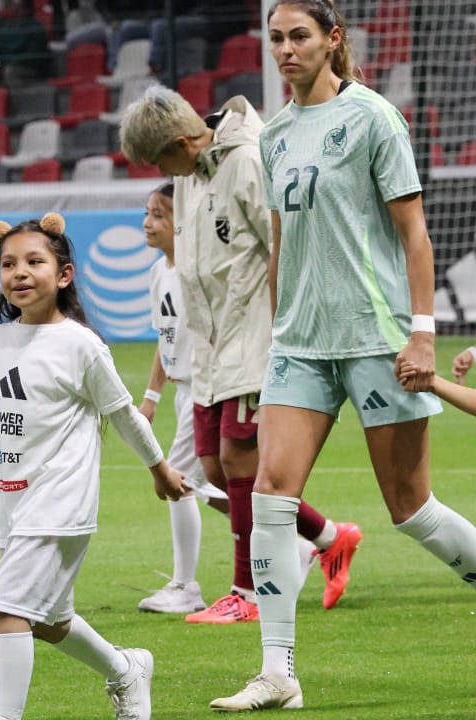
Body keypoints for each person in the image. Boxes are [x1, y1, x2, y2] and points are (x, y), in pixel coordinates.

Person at [210, 0, 476, 710]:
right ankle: (278, 672)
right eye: (275, 39)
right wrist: (272, 338)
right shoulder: (275, 137)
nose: (285, 49)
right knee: (271, 493)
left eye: (299, 36)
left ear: (333, 41)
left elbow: (415, 235)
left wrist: (422, 331)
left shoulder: (372, 118)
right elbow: (280, 242)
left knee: (410, 508)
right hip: (300, 343)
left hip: (375, 334)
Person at [0, 212, 187, 720]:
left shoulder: (81, 344)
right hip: (15, 500)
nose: (19, 272)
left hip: (60, 499)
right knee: (49, 620)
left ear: (63, 275)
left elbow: (123, 415)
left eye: (34, 262)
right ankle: (125, 669)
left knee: (10, 610)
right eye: (8, 263)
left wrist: (160, 468)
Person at [118, 84, 362, 626]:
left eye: (160, 159)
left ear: (183, 141)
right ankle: (327, 536)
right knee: (211, 469)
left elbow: (284, 246)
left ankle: (247, 592)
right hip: (208, 349)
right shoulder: (188, 176)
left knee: (239, 463)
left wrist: (284, 332)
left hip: (253, 339)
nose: (160, 170)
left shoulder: (249, 160)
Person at [136, 181, 230, 614]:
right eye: (148, 213)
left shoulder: (197, 272)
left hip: (206, 389)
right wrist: (152, 396)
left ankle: (185, 587)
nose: (148, 222)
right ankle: (309, 539)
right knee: (215, 484)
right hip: (182, 391)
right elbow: (165, 337)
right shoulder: (159, 273)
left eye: (160, 215)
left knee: (176, 483)